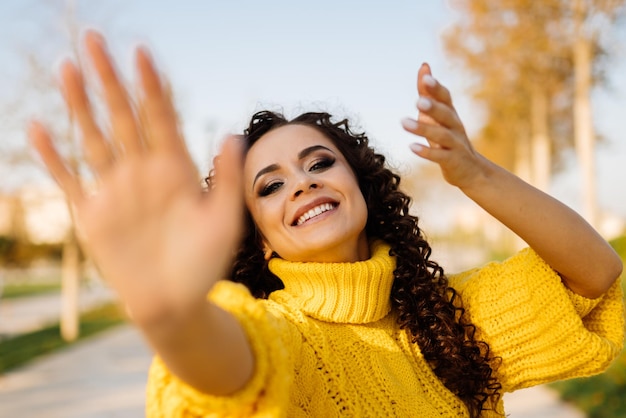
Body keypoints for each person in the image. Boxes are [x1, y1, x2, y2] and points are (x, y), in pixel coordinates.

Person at [28, 31, 623, 418]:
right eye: (270, 185)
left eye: (318, 163)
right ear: (256, 236)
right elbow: (231, 374)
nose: (303, 183)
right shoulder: (282, 335)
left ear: (361, 185)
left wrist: (473, 172)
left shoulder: (448, 317)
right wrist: (175, 316)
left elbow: (596, 275)